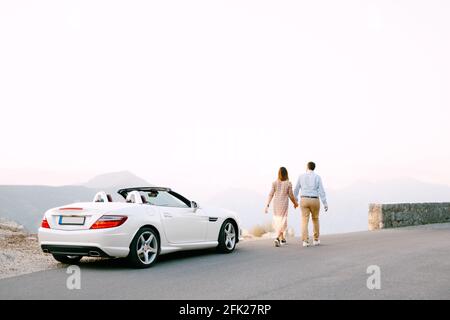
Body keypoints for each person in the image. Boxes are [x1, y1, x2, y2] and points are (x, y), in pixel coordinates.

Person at [294, 162, 328, 247]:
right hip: (314, 199)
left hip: (304, 199)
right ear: (314, 168)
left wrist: (295, 200)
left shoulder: (301, 176)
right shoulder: (317, 177)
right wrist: (325, 203)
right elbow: (321, 190)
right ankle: (316, 240)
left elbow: (296, 189)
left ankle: (305, 241)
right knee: (315, 219)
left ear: (307, 167)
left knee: (304, 220)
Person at [265, 167, 298, 247]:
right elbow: (291, 195)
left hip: (276, 204)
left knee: (278, 221)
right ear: (286, 174)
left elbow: (271, 194)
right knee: (283, 221)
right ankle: (277, 238)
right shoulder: (288, 183)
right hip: (283, 204)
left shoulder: (274, 183)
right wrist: (295, 203)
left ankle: (282, 239)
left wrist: (267, 205)